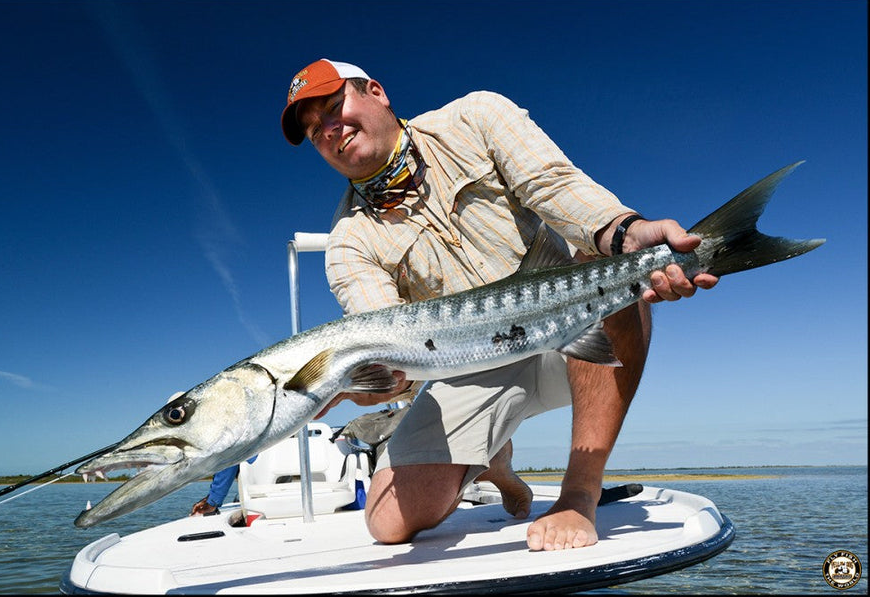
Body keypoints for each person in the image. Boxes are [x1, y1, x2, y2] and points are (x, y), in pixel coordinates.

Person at [280, 59, 718, 551]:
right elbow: (390, 349)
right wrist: (371, 382)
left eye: (334, 108)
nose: (330, 131)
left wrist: (625, 231)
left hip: (571, 330)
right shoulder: (348, 244)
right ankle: (497, 463)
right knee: (388, 524)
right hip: (469, 368)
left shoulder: (474, 117)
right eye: (315, 131)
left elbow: (555, 187)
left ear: (377, 92)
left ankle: (579, 491)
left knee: (604, 258)